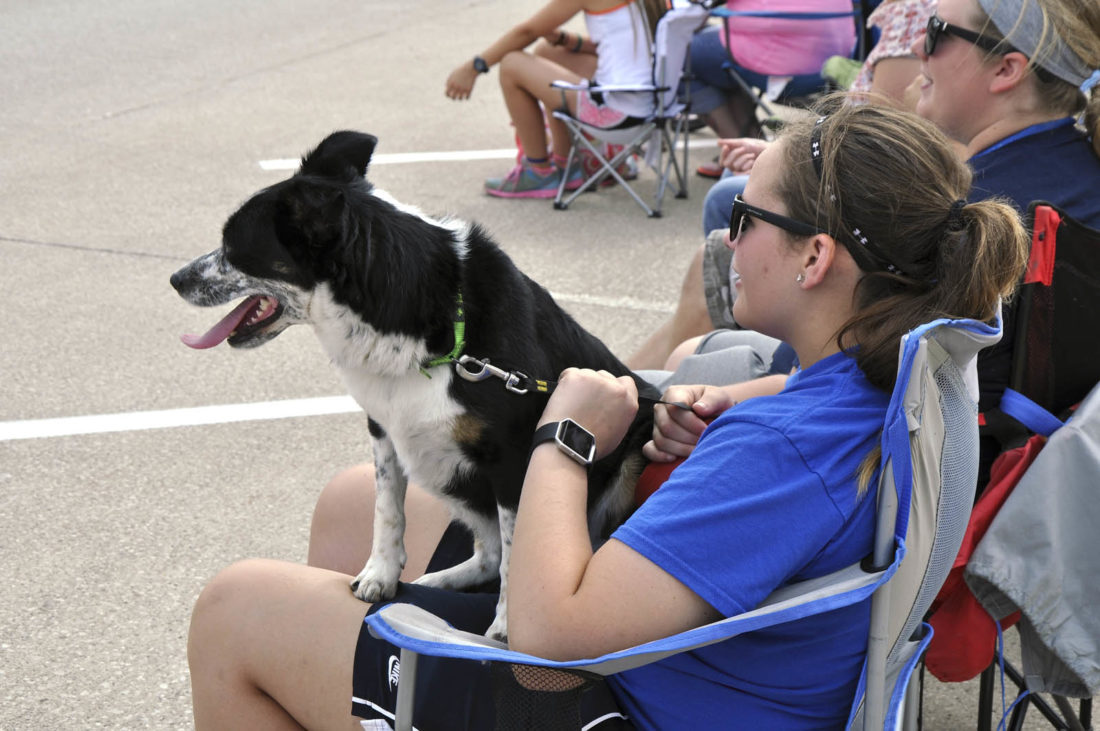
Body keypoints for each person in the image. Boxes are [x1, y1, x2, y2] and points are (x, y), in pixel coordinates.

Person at [187, 99, 1029, 729]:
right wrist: (732, 392)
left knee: (234, 610)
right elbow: (809, 407)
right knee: (348, 504)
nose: (728, 239)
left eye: (745, 217)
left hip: (626, 700)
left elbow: (555, 631)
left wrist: (564, 434)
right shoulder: (904, 366)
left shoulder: (782, 455)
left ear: (816, 257)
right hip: (697, 668)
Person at [627, 0, 1100, 375]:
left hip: (856, 436)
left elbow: (846, 377)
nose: (918, 46)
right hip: (998, 447)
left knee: (691, 346)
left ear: (1007, 70)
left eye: (937, 32)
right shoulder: (1075, 173)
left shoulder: (960, 217)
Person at [444, 0, 668, 199]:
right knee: (547, 52)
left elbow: (527, 31)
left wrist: (474, 67)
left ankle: (537, 171)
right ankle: (569, 160)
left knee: (512, 63)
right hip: (653, 108)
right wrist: (565, 39)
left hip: (615, 117)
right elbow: (618, 40)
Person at [689, 0, 858, 178]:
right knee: (717, 59)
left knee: (684, 53)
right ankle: (744, 149)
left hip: (785, 62)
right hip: (835, 59)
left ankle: (739, 155)